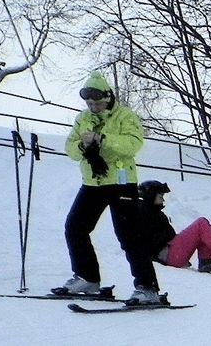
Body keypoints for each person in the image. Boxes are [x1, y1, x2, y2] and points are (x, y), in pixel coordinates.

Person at [57, 70, 161, 304]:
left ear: (107, 97)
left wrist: (102, 140)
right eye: (89, 102)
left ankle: (147, 287)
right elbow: (70, 147)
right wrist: (83, 146)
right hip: (92, 182)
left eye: (97, 102)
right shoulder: (82, 118)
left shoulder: (124, 116)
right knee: (75, 227)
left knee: (129, 236)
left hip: (122, 183)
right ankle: (87, 277)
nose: (93, 106)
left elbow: (133, 144)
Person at [134, 180, 211, 273]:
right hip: (167, 255)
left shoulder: (151, 212)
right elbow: (149, 239)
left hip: (168, 253)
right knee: (201, 224)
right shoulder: (146, 213)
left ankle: (206, 260)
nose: (163, 200)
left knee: (200, 231)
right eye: (160, 196)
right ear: (150, 196)